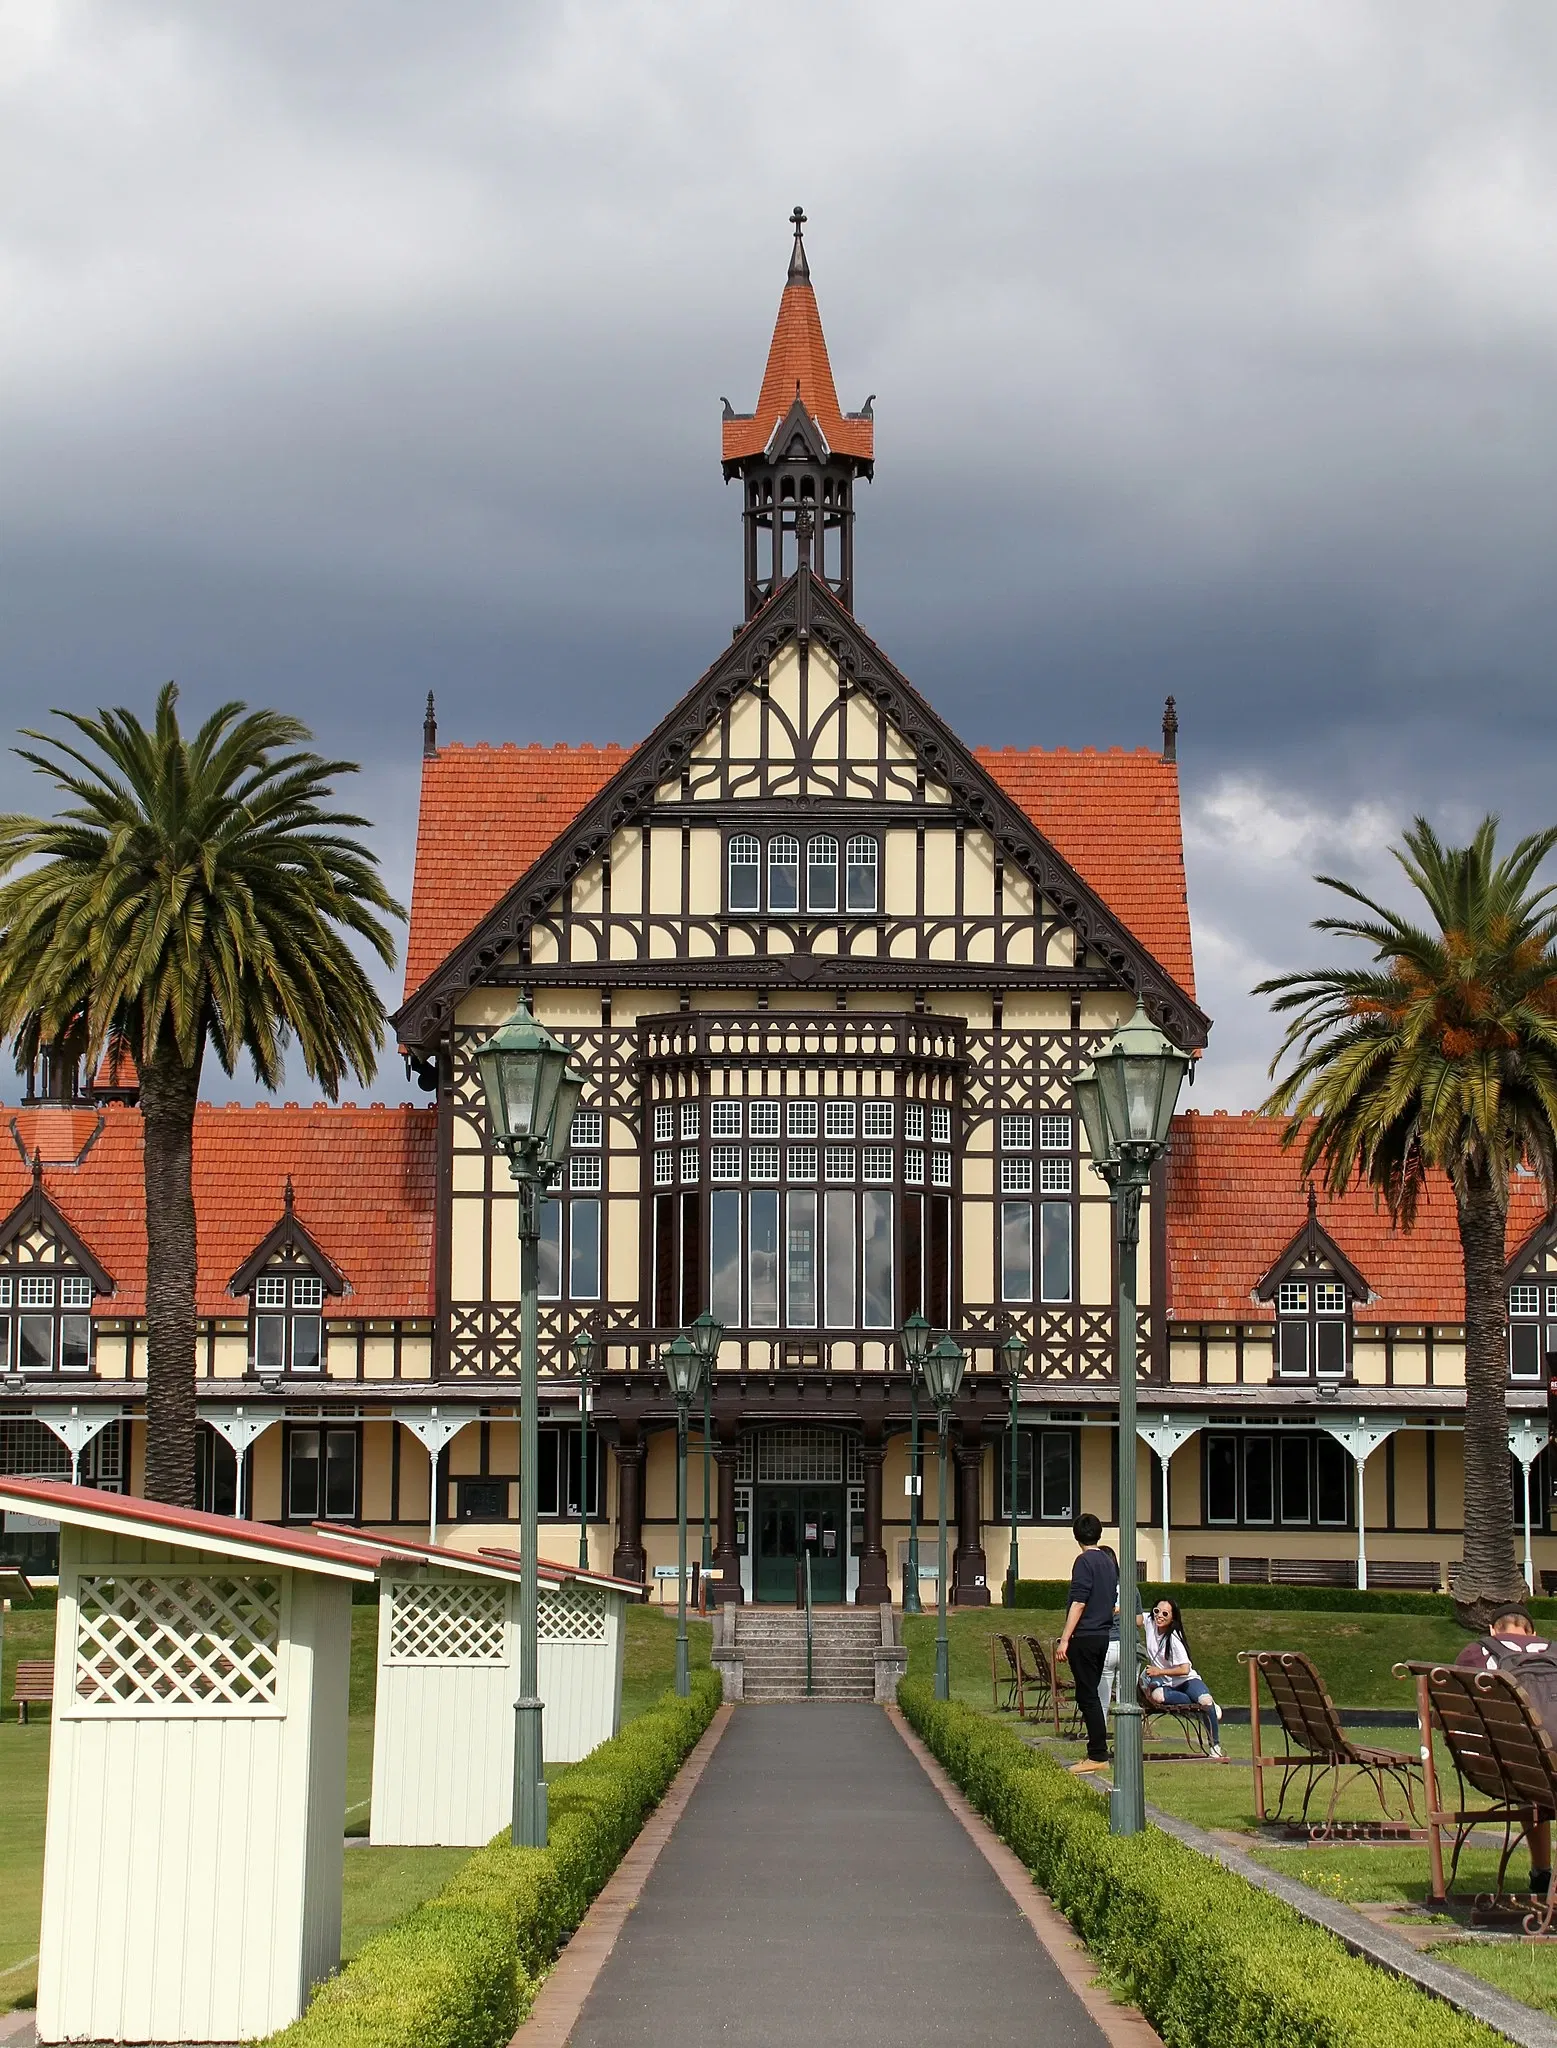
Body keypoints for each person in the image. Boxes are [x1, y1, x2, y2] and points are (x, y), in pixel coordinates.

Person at [1456, 1603, 1557, 1901]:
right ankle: (1541, 1871)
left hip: (1510, 1768)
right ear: (1532, 1631)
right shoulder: (1554, 1650)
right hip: (1549, 1766)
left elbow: (1457, 1715)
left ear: (1492, 1629)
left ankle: (1542, 1870)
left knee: (1529, 1773)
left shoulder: (1477, 1653)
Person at [1056, 1512, 1118, 1773]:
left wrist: (1065, 1639)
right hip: (1103, 1635)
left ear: (1076, 1535)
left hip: (1086, 1636)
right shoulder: (1108, 1561)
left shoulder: (1084, 1562)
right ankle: (1097, 1751)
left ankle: (1097, 1754)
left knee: (1088, 1695)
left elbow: (1079, 1602)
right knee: (1090, 1693)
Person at [1143, 1598, 1224, 1758]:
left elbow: (1185, 1669)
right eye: (1157, 1611)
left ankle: (1215, 1745)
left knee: (1206, 1702)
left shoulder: (1173, 1638)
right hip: (1168, 1685)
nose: (1160, 1616)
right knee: (1156, 1696)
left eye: (1165, 1613)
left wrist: (1159, 1671)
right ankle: (1197, 1702)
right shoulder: (1150, 1622)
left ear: (1172, 1618)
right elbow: (1135, 1616)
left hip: (1187, 1681)